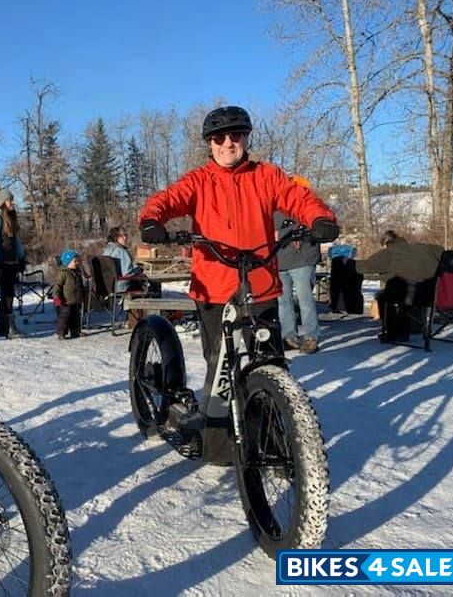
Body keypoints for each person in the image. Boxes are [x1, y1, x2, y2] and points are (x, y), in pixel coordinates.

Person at [138, 105, 338, 463]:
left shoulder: (266, 175)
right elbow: (168, 199)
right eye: (219, 137)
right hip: (214, 288)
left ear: (246, 138)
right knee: (220, 367)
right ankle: (218, 446)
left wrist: (320, 218)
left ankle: (275, 443)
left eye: (236, 135)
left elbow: (298, 198)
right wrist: (152, 220)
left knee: (270, 364)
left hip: (260, 286)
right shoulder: (199, 181)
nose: (227, 143)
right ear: (210, 143)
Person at [350, 230, 443, 340]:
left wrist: (348, 263)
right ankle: (417, 327)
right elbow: (441, 251)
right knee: (410, 292)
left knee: (383, 296)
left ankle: (395, 332)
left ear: (386, 243)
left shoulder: (391, 251)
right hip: (430, 295)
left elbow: (367, 266)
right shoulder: (422, 249)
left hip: (407, 296)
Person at [274, 175, 322, 354]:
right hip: (279, 260)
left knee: (305, 299)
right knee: (283, 301)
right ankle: (289, 337)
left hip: (303, 259)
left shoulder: (308, 204)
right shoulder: (274, 206)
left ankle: (311, 337)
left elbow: (316, 225)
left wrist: (294, 233)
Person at [0, 184, 27, 338]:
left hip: (11, 262)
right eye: (10, 200)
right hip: (1, 264)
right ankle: (9, 327)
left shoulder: (10, 217)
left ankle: (1, 328)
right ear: (2, 202)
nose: (12, 202)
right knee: (8, 294)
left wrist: (21, 257)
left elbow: (16, 241)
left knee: (7, 294)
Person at [52, 250, 85, 339]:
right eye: (75, 261)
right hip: (65, 301)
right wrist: (56, 297)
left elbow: (80, 284)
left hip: (76, 299)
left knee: (75, 317)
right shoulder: (63, 273)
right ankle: (61, 333)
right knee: (64, 318)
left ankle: (75, 331)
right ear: (68, 262)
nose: (77, 263)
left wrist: (82, 294)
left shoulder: (77, 271)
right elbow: (57, 286)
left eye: (77, 261)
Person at [101, 226, 143, 292]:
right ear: (116, 237)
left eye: (126, 235)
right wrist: (138, 270)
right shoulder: (121, 251)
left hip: (108, 286)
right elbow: (127, 273)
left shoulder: (107, 250)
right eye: (122, 236)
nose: (125, 238)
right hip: (122, 286)